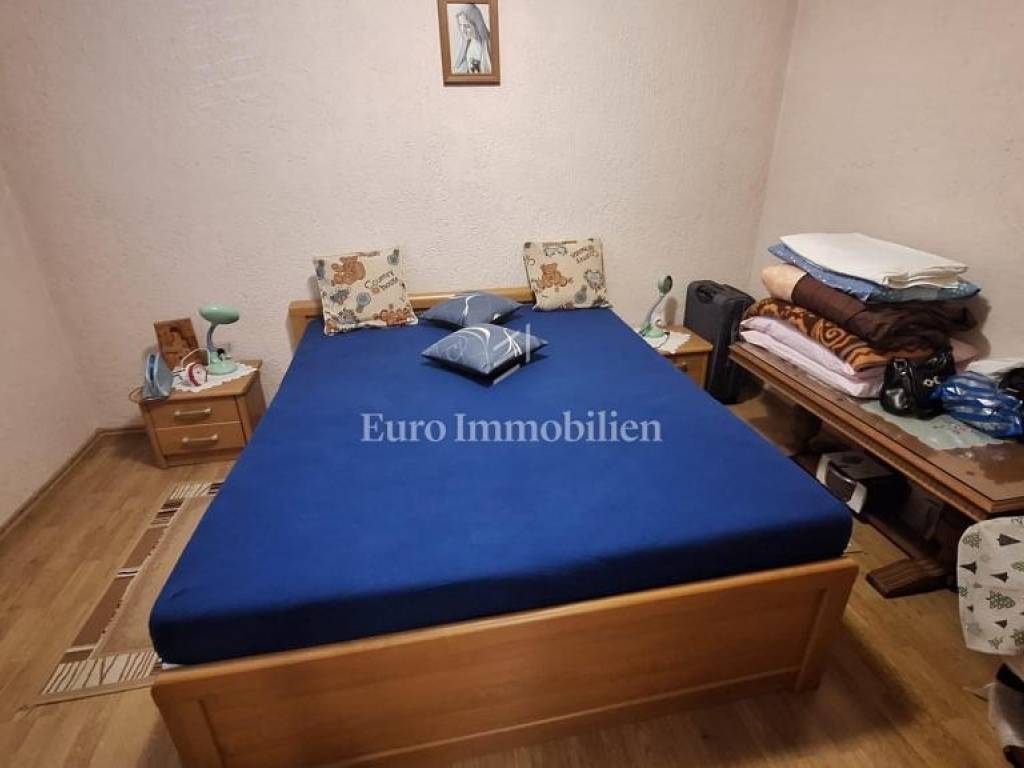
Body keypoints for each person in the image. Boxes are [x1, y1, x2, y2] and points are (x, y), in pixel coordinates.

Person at [452, 4, 491, 74]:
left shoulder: (490, 43)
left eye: (467, 26)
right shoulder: (467, 45)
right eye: (460, 25)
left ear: (477, 24)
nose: (463, 30)